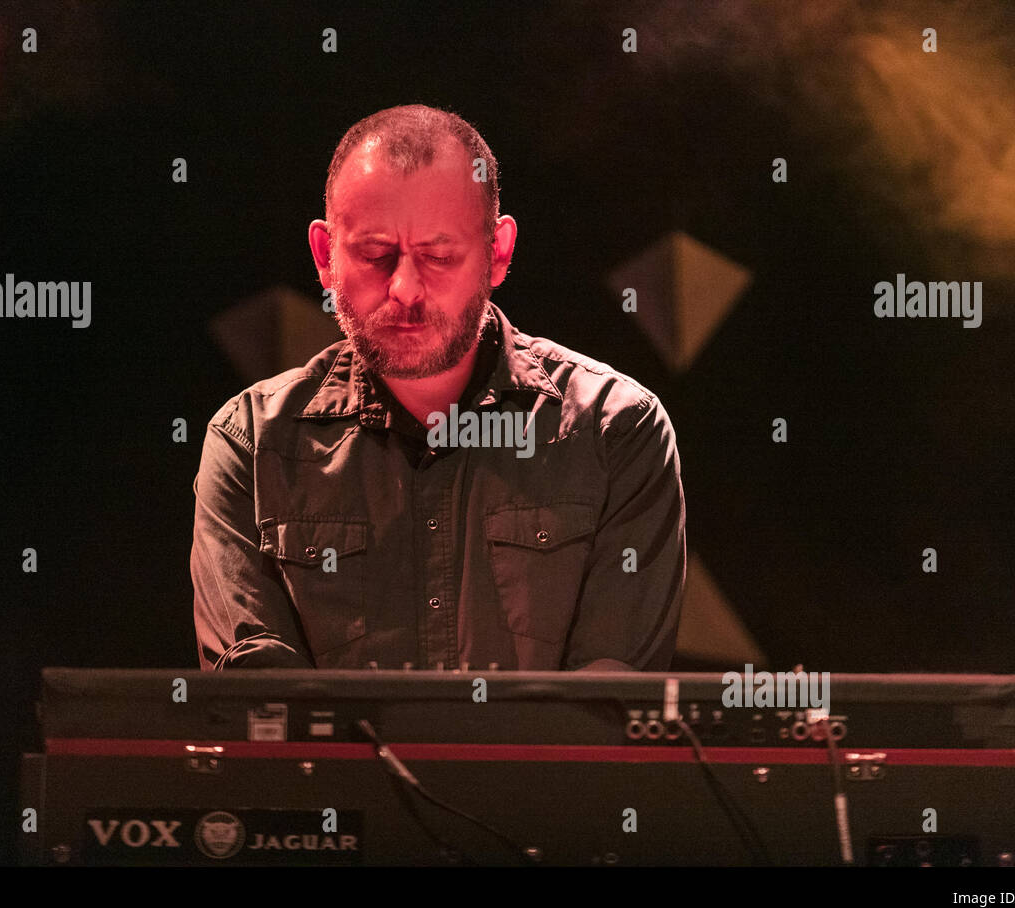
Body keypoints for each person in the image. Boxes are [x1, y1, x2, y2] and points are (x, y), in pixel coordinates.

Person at [190, 104, 685, 671]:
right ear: (325, 257)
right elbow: (260, 711)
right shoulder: (249, 443)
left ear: (498, 253)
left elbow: (606, 711)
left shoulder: (617, 428)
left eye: (439, 255)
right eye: (375, 255)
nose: (404, 287)